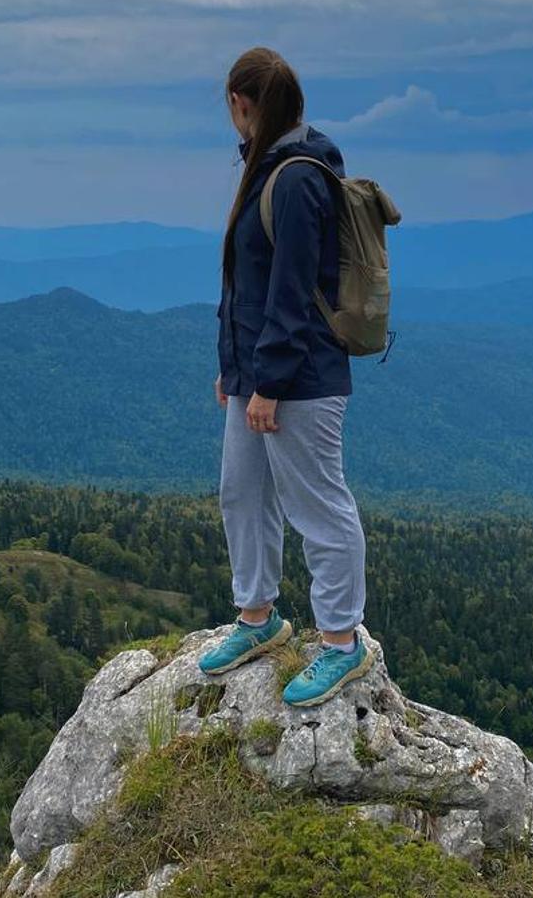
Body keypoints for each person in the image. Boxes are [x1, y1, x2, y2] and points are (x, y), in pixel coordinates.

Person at [197, 47, 374, 708]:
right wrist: (234, 368)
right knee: (241, 491)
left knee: (317, 507)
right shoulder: (267, 165)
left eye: (231, 107)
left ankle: (340, 642)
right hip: (261, 371)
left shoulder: (295, 178)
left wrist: (266, 382)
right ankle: (258, 617)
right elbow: (247, 280)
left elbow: (294, 291)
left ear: (244, 105)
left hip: (300, 379)